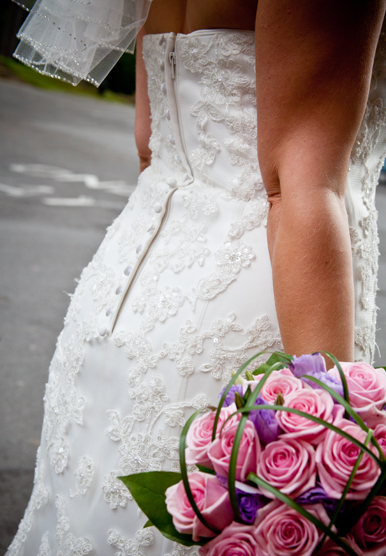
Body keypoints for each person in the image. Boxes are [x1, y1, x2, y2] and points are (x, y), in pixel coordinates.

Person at [6, 0, 386, 554]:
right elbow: (300, 186)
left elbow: (149, 144)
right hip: (255, 317)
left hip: (118, 303)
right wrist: (331, 451)